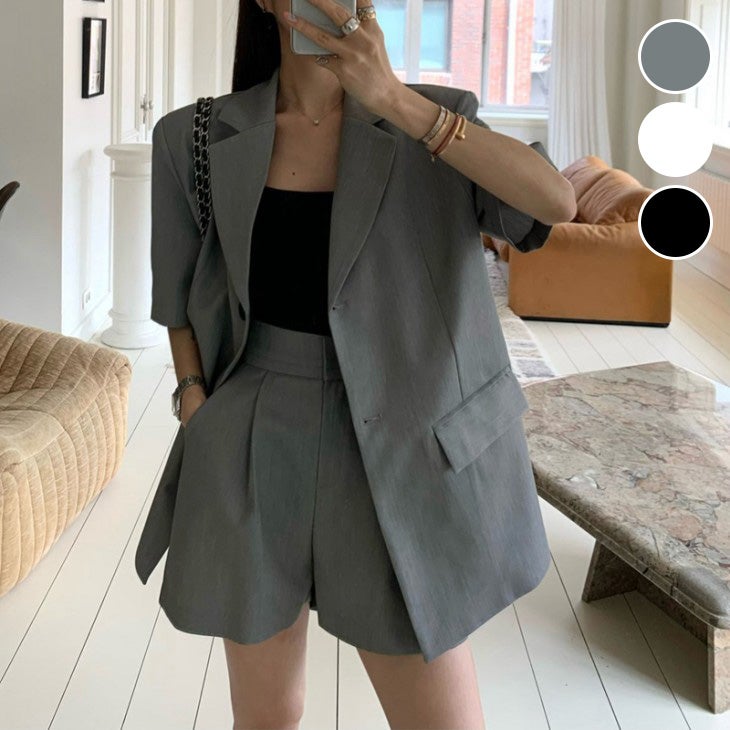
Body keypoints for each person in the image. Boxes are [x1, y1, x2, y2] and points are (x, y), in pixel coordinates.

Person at [135, 0, 577, 727]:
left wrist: (396, 100)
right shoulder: (194, 136)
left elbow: (555, 202)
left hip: (402, 441)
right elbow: (176, 293)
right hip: (251, 432)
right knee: (267, 717)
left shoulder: (436, 119)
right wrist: (193, 400)